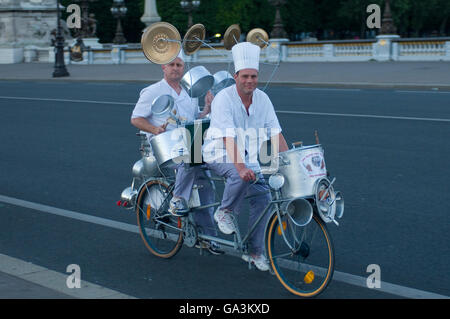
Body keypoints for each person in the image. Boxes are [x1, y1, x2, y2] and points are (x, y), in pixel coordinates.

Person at [202, 42, 289, 270]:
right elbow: (227, 139)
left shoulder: (263, 99)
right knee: (240, 176)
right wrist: (241, 168)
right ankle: (225, 211)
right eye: (245, 76)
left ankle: (254, 251)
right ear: (236, 76)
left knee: (264, 198)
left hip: (246, 157)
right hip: (218, 151)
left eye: (254, 76)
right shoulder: (224, 98)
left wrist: (291, 164)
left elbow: (276, 134)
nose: (250, 81)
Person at [130, 50, 223, 255]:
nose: (175, 68)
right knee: (189, 164)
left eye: (179, 65)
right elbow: (136, 118)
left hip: (189, 146)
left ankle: (208, 237)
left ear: (183, 69)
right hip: (165, 149)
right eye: (171, 65)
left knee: (206, 186)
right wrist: (155, 129)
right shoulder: (153, 91)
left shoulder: (190, 93)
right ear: (163, 67)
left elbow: (193, 119)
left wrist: (207, 107)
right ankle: (177, 200)